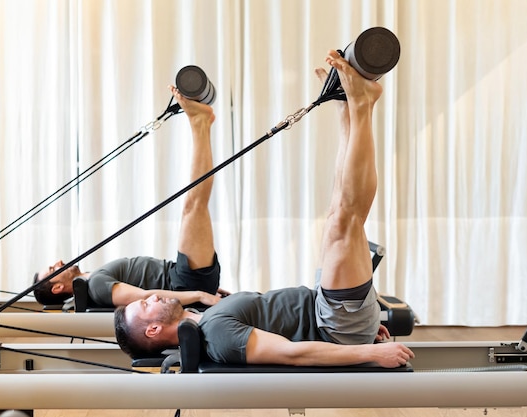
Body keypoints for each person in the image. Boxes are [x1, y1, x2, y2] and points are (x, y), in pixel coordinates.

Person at [114, 50, 415, 368]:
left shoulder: (205, 317)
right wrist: (368, 350)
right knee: (345, 219)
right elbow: (292, 353)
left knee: (338, 214)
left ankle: (348, 108)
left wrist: (364, 329)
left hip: (326, 309)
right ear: (153, 329)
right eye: (145, 306)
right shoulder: (217, 334)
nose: (149, 295)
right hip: (335, 325)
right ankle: (362, 105)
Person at [33, 85, 228, 309]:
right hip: (183, 282)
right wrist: (198, 294)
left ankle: (201, 123)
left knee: (194, 204)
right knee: (194, 204)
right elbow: (144, 297)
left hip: (183, 277)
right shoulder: (97, 284)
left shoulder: (96, 278)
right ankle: (200, 123)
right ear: (57, 288)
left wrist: (201, 290)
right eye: (52, 270)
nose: (57, 262)